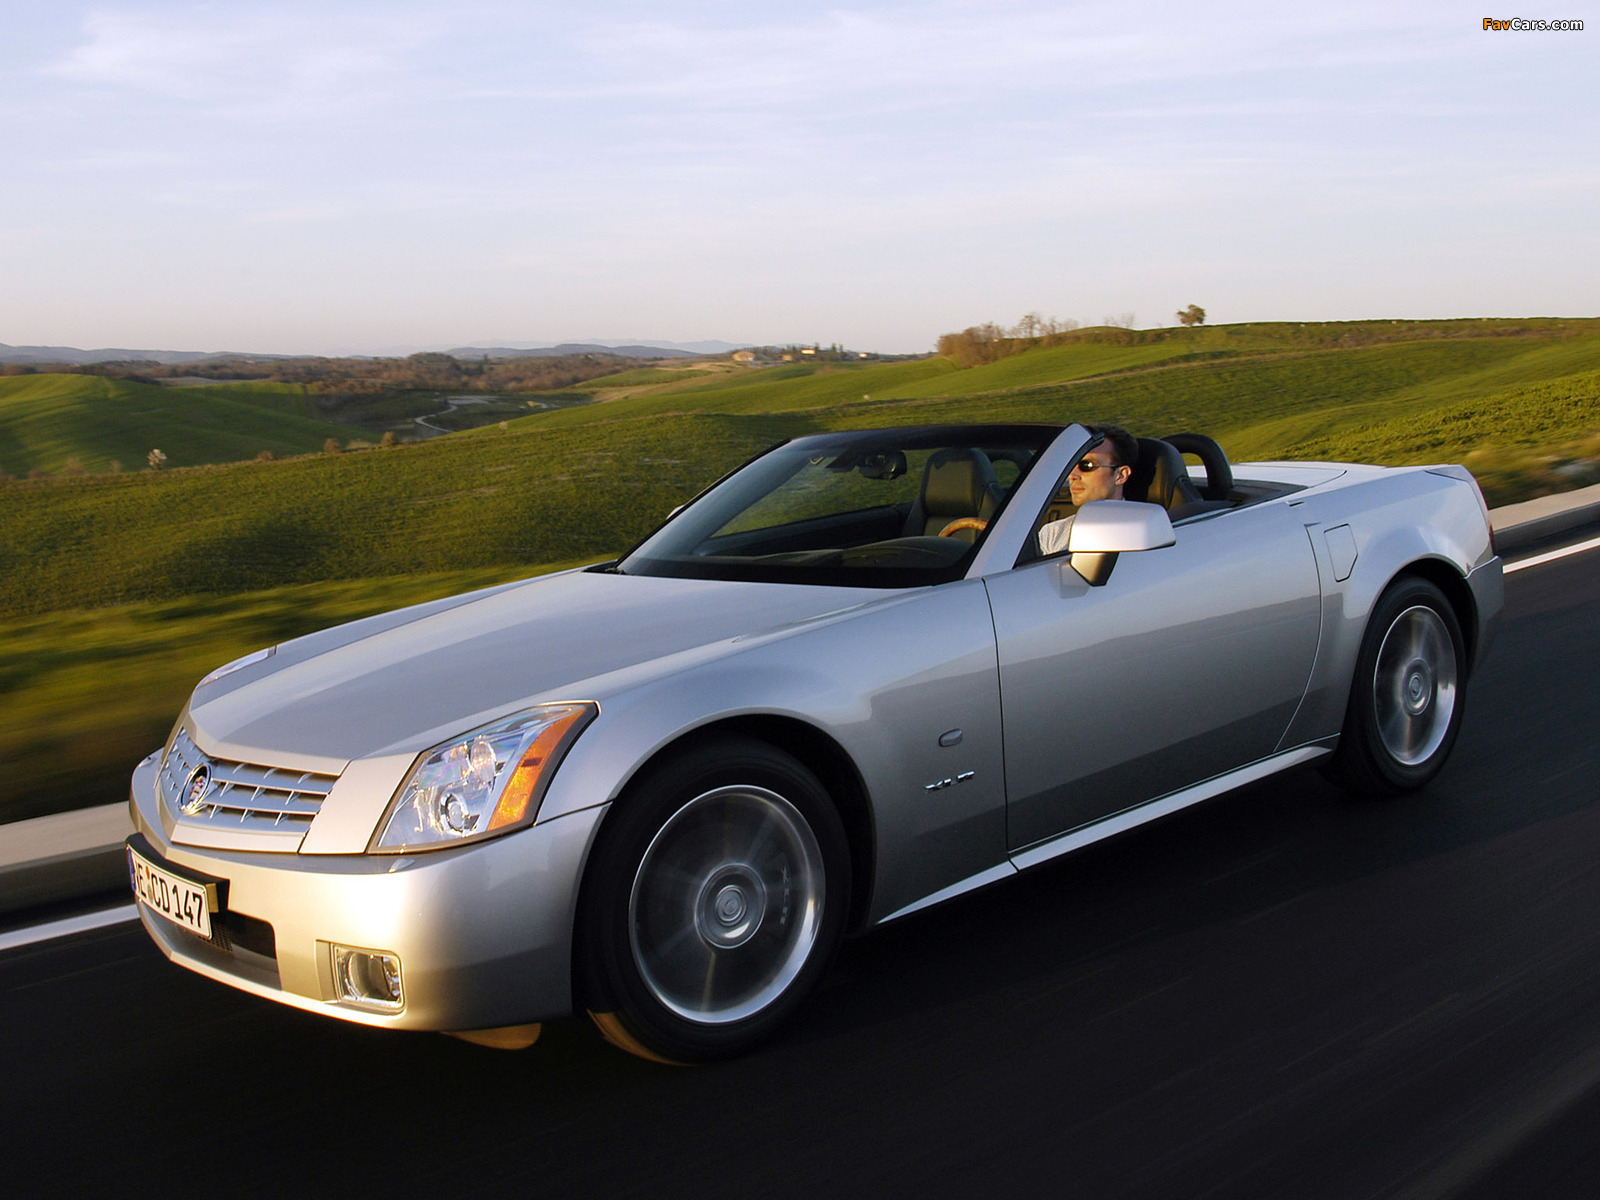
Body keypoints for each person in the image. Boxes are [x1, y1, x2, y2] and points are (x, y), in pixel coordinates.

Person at [1036, 424, 1138, 557]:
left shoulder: (1142, 534)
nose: (1072, 475)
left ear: (1120, 475)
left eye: (1087, 465)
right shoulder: (1053, 533)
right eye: (1071, 465)